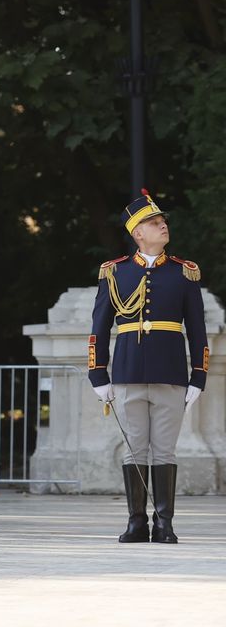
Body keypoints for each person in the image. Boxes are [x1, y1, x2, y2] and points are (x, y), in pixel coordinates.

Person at [89, 189, 207, 544]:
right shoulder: (115, 273)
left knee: (165, 450)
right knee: (134, 448)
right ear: (137, 232)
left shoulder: (183, 273)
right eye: (155, 222)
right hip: (126, 374)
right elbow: (99, 327)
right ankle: (137, 521)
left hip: (171, 373)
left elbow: (198, 329)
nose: (163, 225)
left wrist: (198, 376)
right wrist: (98, 373)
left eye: (163, 220)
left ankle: (165, 522)